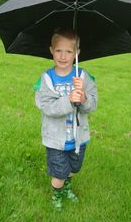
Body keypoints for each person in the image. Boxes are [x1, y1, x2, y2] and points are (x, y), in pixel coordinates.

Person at [35, 28, 97, 211]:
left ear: (77, 53)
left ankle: (67, 188)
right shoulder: (47, 79)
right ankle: (57, 195)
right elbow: (46, 106)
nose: (63, 56)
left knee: (73, 168)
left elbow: (92, 105)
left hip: (78, 138)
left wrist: (83, 96)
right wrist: (69, 99)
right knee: (59, 171)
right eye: (58, 50)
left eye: (69, 51)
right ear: (51, 50)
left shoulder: (83, 77)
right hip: (56, 138)